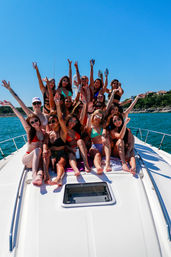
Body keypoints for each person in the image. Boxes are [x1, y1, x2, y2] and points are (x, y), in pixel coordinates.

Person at [0, 100, 45, 185]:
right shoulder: (29, 131)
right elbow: (20, 117)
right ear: (30, 124)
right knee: (37, 150)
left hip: (38, 159)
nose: (35, 123)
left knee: (41, 167)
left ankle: (39, 176)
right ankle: (34, 175)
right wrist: (11, 105)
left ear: (38, 120)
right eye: (32, 122)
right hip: (28, 159)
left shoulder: (43, 132)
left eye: (36, 120)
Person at [87, 109, 111, 174]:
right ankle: (98, 167)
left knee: (106, 140)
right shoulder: (90, 126)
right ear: (94, 115)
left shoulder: (102, 126)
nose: (98, 118)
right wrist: (90, 117)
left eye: (100, 117)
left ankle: (108, 164)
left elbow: (104, 132)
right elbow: (87, 128)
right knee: (97, 154)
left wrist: (103, 135)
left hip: (103, 147)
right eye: (97, 116)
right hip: (94, 147)